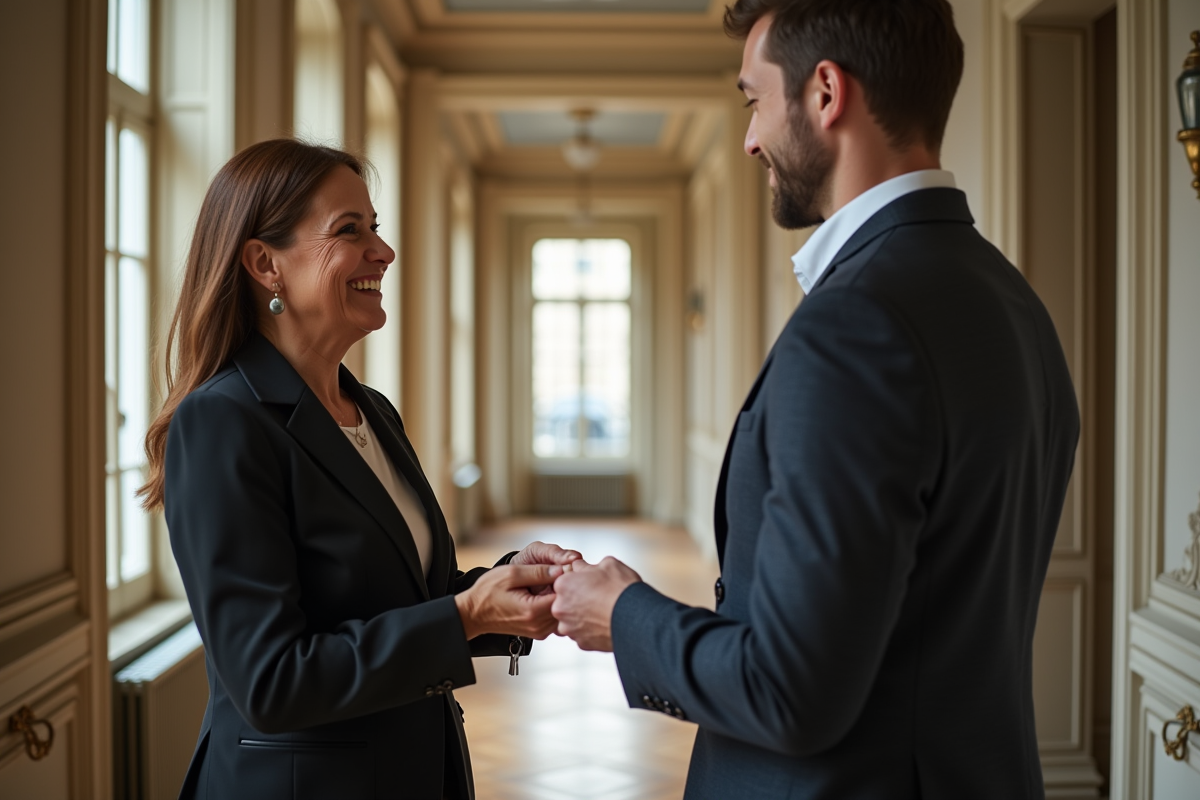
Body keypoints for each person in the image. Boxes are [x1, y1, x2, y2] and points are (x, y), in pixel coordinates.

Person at [551, 1, 1080, 798]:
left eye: (753, 101)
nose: (750, 138)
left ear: (826, 93)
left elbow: (791, 691)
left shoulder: (856, 322)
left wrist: (623, 615)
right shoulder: (1013, 302)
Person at [140, 138, 579, 800]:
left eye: (376, 227)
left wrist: (509, 586)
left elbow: (398, 598)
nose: (384, 251)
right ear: (265, 264)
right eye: (351, 230)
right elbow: (271, 680)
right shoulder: (223, 421)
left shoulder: (371, 411)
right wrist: (464, 616)